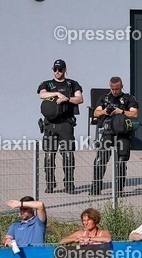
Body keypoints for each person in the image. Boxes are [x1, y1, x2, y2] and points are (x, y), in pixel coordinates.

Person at [37, 59, 84, 194]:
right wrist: (57, 94)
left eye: (60, 69)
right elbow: (42, 94)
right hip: (50, 125)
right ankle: (50, 184)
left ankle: (69, 184)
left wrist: (67, 98)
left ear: (65, 70)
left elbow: (80, 99)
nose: (57, 72)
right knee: (49, 155)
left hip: (66, 124)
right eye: (55, 69)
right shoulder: (47, 84)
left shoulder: (72, 84)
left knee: (68, 154)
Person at [91, 76, 139, 196]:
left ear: (121, 87)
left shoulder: (128, 98)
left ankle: (118, 190)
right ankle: (96, 188)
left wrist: (120, 111)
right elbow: (95, 113)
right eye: (112, 89)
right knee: (100, 159)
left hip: (123, 134)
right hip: (108, 132)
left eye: (117, 89)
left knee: (121, 161)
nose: (114, 91)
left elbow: (134, 114)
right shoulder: (105, 98)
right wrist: (104, 111)